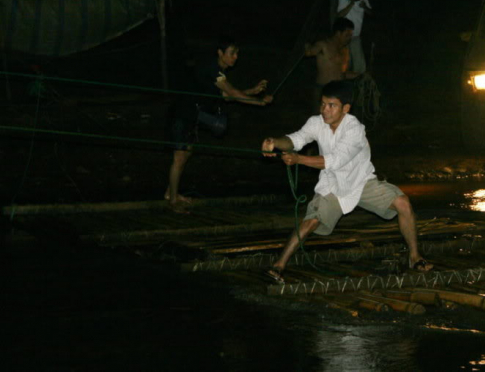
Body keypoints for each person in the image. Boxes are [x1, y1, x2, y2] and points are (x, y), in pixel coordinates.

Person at [260, 80, 433, 282]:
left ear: (346, 108)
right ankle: (278, 266)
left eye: (331, 105)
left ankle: (415, 257)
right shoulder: (316, 122)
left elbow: (335, 161)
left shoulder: (355, 129)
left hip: (361, 181)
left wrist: (299, 160)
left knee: (403, 203)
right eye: (323, 104)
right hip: (332, 184)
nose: (325, 110)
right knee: (310, 221)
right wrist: (274, 142)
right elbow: (295, 140)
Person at [165, 38, 273, 212]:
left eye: (237, 53)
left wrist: (252, 92)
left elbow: (226, 95)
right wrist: (259, 102)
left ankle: (172, 193)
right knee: (179, 157)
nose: (235, 57)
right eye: (232, 53)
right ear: (220, 53)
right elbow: (232, 93)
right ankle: (172, 202)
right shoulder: (213, 69)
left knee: (185, 154)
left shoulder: (217, 72)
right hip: (183, 114)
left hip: (191, 114)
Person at [305, 17, 359, 113]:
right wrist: (307, 44)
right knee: (320, 122)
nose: (349, 38)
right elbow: (308, 52)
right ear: (338, 33)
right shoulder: (323, 45)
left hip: (339, 92)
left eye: (350, 35)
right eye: (347, 35)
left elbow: (343, 73)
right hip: (324, 90)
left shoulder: (345, 50)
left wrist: (360, 75)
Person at [336, 0, 372, 74]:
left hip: (356, 36)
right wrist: (351, 3)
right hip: (344, 37)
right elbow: (339, 15)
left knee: (360, 67)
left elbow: (371, 12)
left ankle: (358, 86)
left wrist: (364, 6)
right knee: (345, 67)